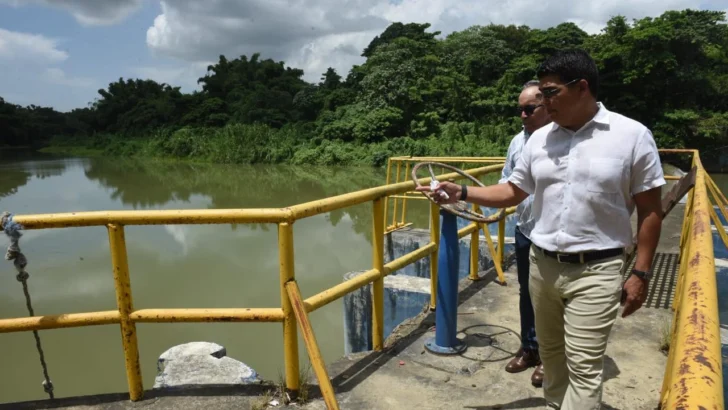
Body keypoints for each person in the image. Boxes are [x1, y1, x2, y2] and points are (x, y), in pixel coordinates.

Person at [418, 49, 664, 410]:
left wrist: (641, 273)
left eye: (550, 92)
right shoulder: (539, 139)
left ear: (582, 87)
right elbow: (513, 191)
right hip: (542, 265)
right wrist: (462, 192)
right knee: (551, 356)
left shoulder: (632, 136)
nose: (543, 102)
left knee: (583, 366)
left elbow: (650, 210)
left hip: (597, 269)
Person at [500, 80, 551, 387]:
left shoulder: (560, 139)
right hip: (525, 229)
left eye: (529, 109)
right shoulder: (517, 142)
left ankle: (549, 356)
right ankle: (530, 348)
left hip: (552, 233)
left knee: (550, 295)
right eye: (519, 109)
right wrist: (467, 195)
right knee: (526, 292)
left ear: (547, 106)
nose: (523, 115)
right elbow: (507, 180)